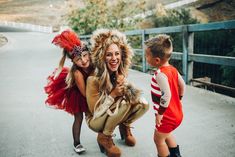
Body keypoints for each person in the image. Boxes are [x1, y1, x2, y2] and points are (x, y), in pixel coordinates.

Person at [85, 29, 149, 157]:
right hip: (95, 120)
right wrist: (113, 94)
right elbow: (95, 112)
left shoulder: (119, 73)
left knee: (143, 104)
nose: (114, 59)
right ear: (101, 57)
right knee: (124, 104)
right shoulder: (93, 79)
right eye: (109, 55)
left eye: (117, 54)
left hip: (112, 112)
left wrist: (128, 89)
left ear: (122, 55)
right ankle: (105, 137)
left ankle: (125, 126)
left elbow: (132, 96)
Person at [44, 30, 93, 154]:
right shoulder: (77, 72)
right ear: (73, 61)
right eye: (78, 59)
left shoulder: (93, 64)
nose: (83, 60)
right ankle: (76, 143)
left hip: (91, 89)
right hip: (79, 93)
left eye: (85, 55)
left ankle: (104, 138)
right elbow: (85, 94)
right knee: (79, 117)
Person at [144, 34, 185, 157]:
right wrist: (180, 100)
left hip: (167, 116)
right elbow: (182, 85)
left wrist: (160, 114)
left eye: (147, 55)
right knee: (166, 134)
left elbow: (166, 95)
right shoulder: (173, 69)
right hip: (176, 114)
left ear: (156, 60)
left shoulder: (160, 74)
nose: (145, 57)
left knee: (158, 140)